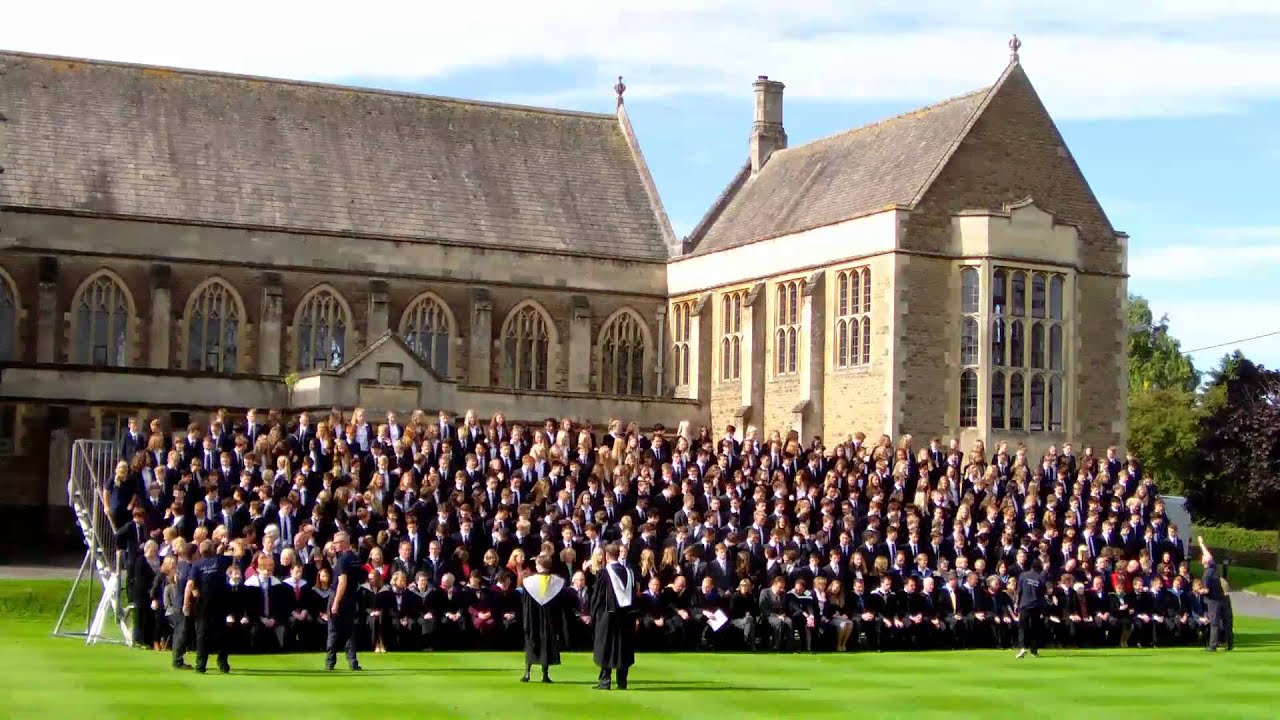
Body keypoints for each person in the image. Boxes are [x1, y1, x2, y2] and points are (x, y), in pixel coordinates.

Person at [590, 543, 636, 690]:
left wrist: (593, 614)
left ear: (606, 556)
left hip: (608, 615)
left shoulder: (604, 573)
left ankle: (605, 681)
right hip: (626, 616)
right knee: (623, 647)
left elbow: (598, 596)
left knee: (606, 646)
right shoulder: (629, 572)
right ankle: (622, 682)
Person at [520, 554, 569, 683]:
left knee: (531, 643)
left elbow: (525, 604)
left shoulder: (529, 582)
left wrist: (526, 622)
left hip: (533, 618)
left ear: (539, 565)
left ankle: (527, 673)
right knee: (546, 645)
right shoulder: (556, 582)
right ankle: (545, 674)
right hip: (549, 619)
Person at [188, 540, 231, 674]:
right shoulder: (220, 561)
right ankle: (222, 662)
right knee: (222, 633)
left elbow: (192, 584)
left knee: (202, 634)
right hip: (220, 602)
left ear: (201, 551)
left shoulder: (197, 565)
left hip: (203, 604)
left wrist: (190, 600)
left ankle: (201, 664)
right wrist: (222, 547)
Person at [326, 532, 364, 671]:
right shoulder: (356, 559)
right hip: (351, 598)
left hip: (339, 596)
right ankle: (353, 661)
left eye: (336, 543)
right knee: (349, 631)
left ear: (343, 543)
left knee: (333, 630)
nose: (334, 545)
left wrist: (336, 602)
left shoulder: (343, 560)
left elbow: (342, 582)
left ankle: (330, 661)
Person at [1197, 536, 1232, 652]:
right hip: (1223, 598)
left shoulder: (1206, 575)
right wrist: (1202, 544)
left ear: (1204, 562)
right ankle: (1230, 643)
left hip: (1213, 601)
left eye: (1202, 558)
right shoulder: (1214, 568)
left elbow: (1206, 590)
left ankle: (1213, 645)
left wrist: (1198, 591)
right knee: (1227, 622)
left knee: (1214, 623)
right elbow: (1209, 556)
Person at [1014, 558, 1048, 658]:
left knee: (1022, 628)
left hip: (1024, 605)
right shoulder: (1040, 577)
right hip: (1036, 606)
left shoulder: (1023, 575)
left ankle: (1022, 648)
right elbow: (1042, 592)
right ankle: (1034, 650)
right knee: (1035, 628)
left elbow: (1019, 591)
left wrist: (1016, 604)